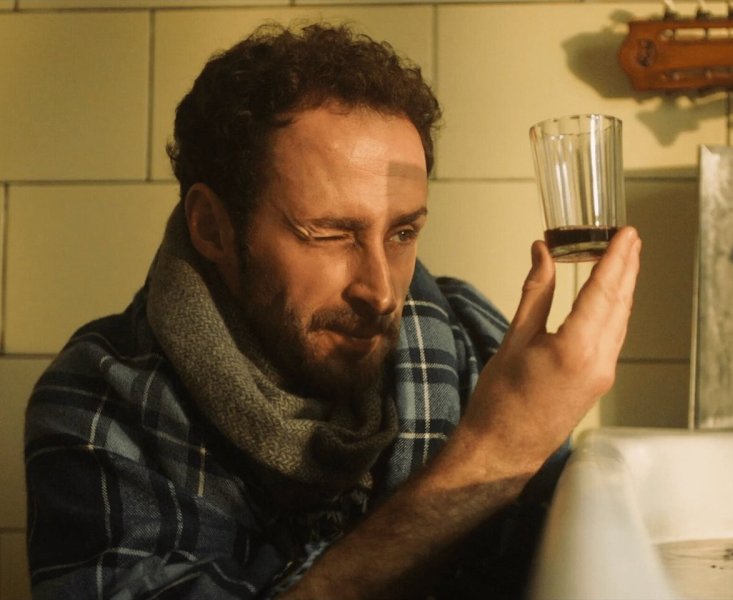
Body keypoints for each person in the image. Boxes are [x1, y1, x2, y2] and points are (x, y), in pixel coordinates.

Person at [24, 22, 641, 600]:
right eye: (329, 234)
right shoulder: (101, 401)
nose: (380, 291)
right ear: (212, 228)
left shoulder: (472, 343)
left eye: (402, 233)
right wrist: (495, 453)